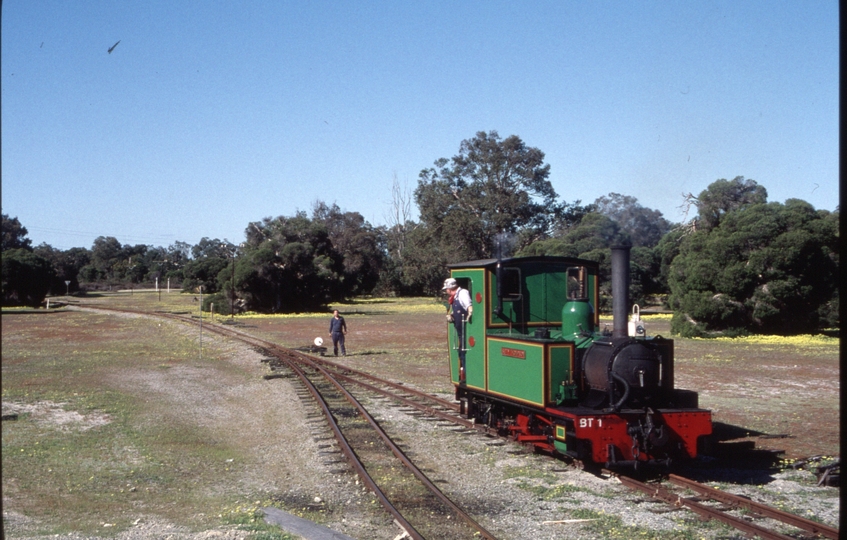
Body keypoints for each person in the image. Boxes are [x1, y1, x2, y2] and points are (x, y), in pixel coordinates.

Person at [443, 278, 472, 382]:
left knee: (464, 352)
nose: (446, 291)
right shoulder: (455, 296)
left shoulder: (463, 293)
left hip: (466, 331)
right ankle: (464, 374)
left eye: (446, 289)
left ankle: (467, 376)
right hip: (460, 331)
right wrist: (452, 315)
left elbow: (468, 305)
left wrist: (470, 312)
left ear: (450, 289)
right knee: (461, 351)